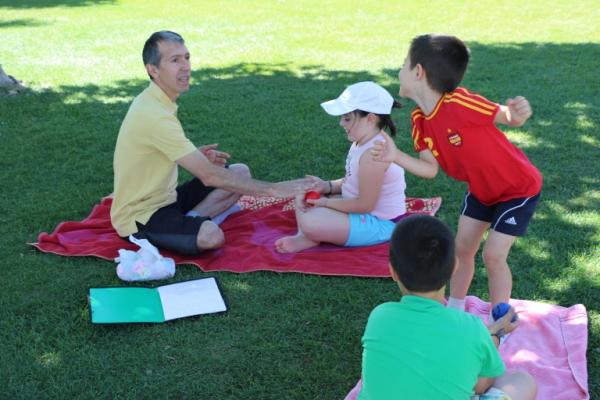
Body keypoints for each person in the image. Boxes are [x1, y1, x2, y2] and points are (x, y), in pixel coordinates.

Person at [372, 34, 542, 313]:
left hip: (519, 189)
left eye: (403, 64)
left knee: (493, 255)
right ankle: (455, 309)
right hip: (482, 191)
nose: (398, 70)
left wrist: (517, 112)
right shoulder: (420, 122)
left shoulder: (460, 103)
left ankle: (502, 322)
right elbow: (429, 169)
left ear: (417, 72)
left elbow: (508, 117)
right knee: (462, 249)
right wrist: (396, 156)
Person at [111, 31, 316, 255]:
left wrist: (196, 155)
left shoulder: (156, 101)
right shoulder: (154, 114)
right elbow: (209, 176)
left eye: (186, 57)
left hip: (167, 198)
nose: (185, 66)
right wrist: (274, 190)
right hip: (142, 215)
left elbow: (154, 153)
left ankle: (190, 221)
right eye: (175, 60)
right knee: (211, 236)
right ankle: (195, 225)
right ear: (153, 70)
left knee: (240, 172)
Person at [359, 214, 537, 400]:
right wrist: (496, 335)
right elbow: (480, 385)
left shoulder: (380, 316)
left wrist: (490, 333)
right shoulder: (471, 328)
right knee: (521, 381)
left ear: (393, 272)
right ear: (454, 267)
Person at [274, 82, 407, 253]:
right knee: (304, 192)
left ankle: (308, 234)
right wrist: (326, 186)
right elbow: (351, 181)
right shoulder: (361, 142)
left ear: (371, 119)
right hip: (358, 210)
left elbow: (365, 205)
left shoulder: (374, 155)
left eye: (347, 118)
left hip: (380, 223)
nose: (341, 123)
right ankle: (307, 235)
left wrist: (326, 202)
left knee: (311, 220)